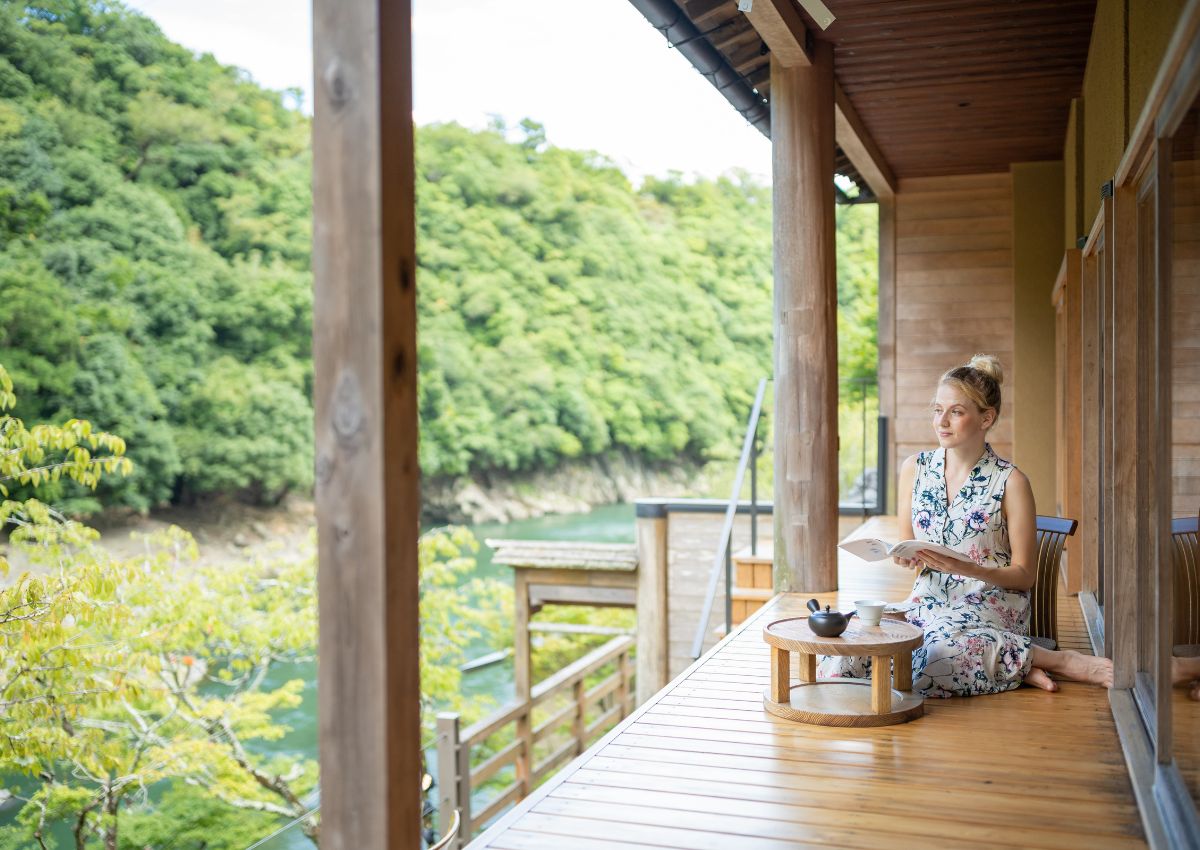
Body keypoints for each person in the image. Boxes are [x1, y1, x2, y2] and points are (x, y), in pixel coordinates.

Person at [819, 354, 1113, 695]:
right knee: (845, 654)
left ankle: (1058, 661)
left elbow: (1024, 574)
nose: (941, 421)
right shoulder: (913, 469)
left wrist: (971, 568)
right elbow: (906, 546)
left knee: (933, 656)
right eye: (937, 409)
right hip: (927, 603)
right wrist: (903, 555)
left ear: (986, 418)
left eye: (955, 412)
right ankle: (1015, 665)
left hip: (989, 605)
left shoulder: (1011, 481)